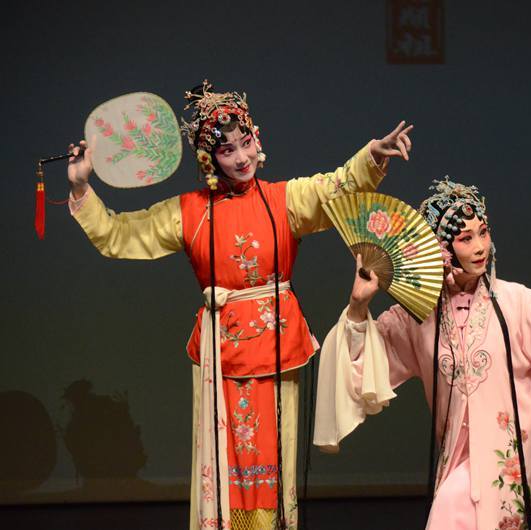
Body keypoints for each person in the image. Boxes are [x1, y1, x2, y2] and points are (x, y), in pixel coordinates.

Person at [66, 80, 414, 530]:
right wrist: (81, 187)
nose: (241, 157)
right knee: (223, 460)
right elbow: (118, 235)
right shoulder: (188, 212)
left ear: (257, 139)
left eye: (245, 142)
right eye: (227, 150)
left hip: (276, 346)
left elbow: (335, 187)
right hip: (220, 351)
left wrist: (372, 157)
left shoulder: (284, 200)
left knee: (273, 457)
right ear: (209, 160)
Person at [314, 178, 531, 530]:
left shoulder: (514, 301)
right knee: (448, 508)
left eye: (483, 233)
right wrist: (358, 305)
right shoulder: (418, 315)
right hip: (460, 459)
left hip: (518, 457)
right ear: (443, 247)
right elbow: (365, 363)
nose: (480, 247)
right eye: (465, 238)